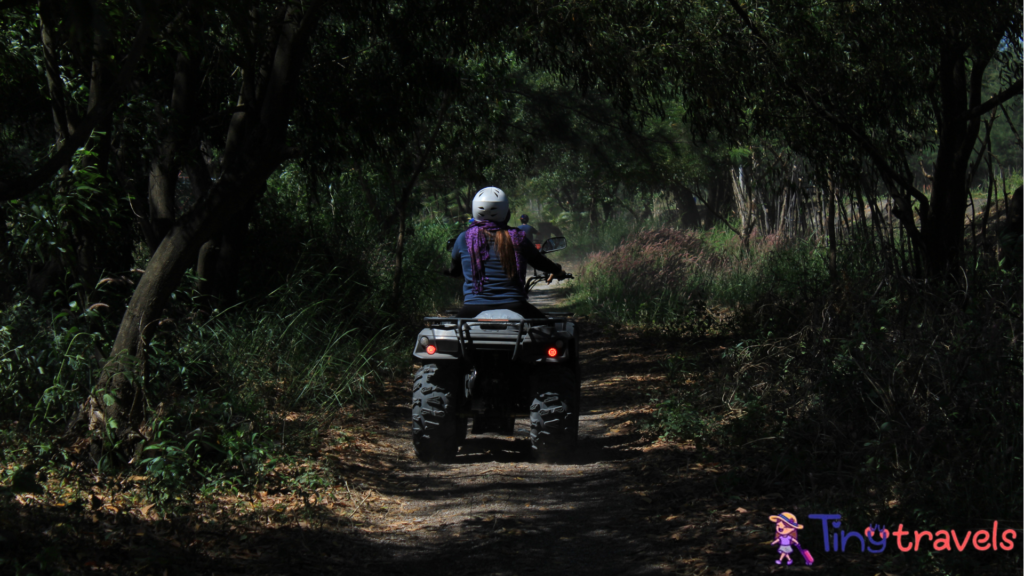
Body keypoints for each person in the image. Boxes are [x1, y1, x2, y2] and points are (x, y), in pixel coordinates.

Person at [449, 188, 566, 319]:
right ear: (506, 213)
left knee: (452, 336)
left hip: (472, 308)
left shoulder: (464, 238)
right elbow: (540, 262)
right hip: (515, 306)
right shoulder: (518, 238)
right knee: (549, 332)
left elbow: (455, 270)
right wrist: (557, 270)